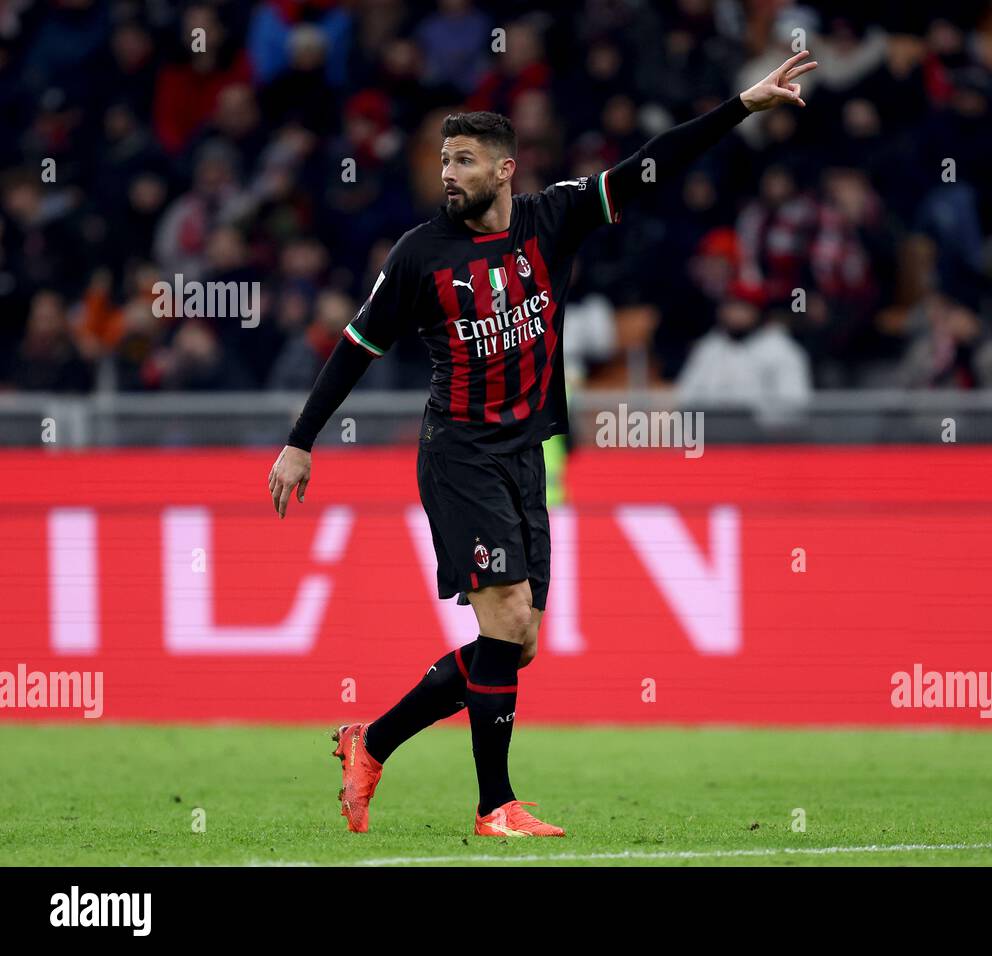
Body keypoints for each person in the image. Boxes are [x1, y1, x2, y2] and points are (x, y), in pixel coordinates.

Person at [266, 51, 820, 838]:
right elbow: (356, 345)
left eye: (463, 160)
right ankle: (496, 806)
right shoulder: (420, 255)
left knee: (517, 644)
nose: (448, 173)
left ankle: (371, 741)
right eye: (442, 160)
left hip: (523, 455)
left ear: (504, 169)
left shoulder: (551, 218)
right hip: (459, 455)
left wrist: (740, 107)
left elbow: (646, 166)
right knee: (505, 623)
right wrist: (300, 442)